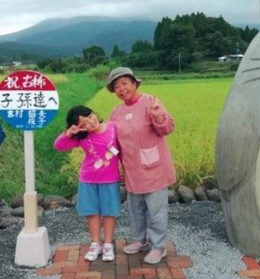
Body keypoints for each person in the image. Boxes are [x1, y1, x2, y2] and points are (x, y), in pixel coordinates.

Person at [106, 67, 176, 264]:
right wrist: (109, 162)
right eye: (116, 86)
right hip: (131, 169)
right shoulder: (116, 112)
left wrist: (157, 116)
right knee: (135, 209)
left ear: (135, 83)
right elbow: (114, 143)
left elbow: (167, 128)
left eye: (125, 83)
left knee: (156, 211)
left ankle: (158, 247)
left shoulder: (150, 103)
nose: (121, 89)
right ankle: (139, 240)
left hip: (154, 169)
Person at [53, 105, 121, 262]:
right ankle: (95, 244)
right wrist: (68, 133)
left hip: (110, 179)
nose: (91, 122)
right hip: (88, 179)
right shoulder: (81, 138)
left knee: (109, 213)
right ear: (80, 128)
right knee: (92, 213)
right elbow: (59, 146)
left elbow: (125, 148)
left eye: (90, 116)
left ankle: (108, 245)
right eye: (84, 124)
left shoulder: (113, 127)